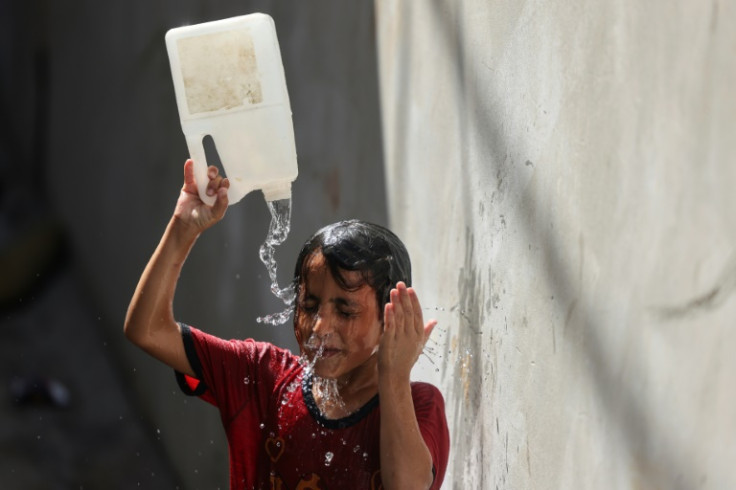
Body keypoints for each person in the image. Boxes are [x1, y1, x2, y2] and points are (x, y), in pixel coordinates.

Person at [124, 160, 450, 489]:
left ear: (390, 320)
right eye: (309, 305)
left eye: (346, 311)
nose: (320, 327)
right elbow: (147, 330)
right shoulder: (264, 376)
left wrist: (393, 376)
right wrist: (182, 228)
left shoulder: (420, 405)